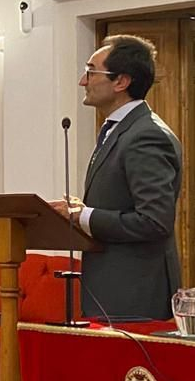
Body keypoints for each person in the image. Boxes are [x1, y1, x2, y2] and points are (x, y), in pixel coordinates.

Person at [50, 33, 183, 321]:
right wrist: (82, 212)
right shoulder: (119, 129)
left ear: (121, 82)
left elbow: (154, 221)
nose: (82, 81)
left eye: (90, 72)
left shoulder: (145, 135)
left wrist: (84, 216)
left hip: (135, 292)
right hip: (112, 287)